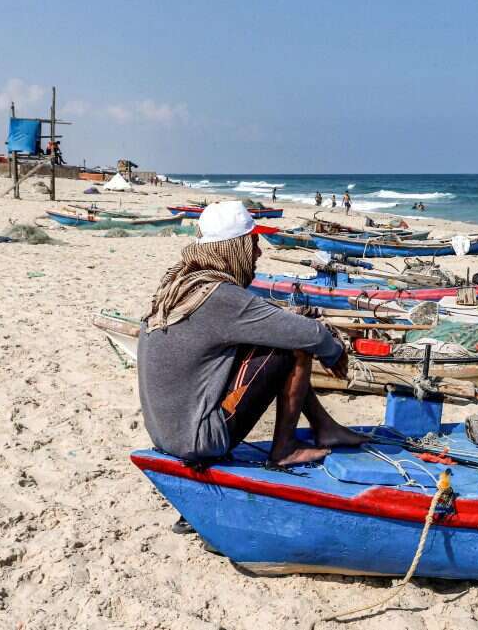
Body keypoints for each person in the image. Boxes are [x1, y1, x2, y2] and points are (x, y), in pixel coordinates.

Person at [137, 200, 367, 467]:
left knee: (279, 336)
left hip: (165, 435)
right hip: (199, 441)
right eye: (253, 244)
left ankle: (324, 426)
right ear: (235, 248)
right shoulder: (220, 296)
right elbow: (311, 335)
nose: (258, 253)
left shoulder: (179, 285)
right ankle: (285, 449)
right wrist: (334, 351)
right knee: (292, 348)